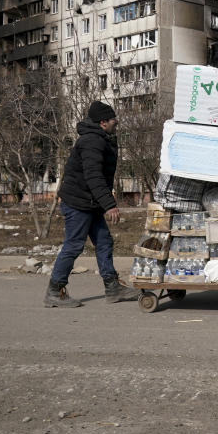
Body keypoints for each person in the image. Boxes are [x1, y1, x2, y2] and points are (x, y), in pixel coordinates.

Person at [44, 100, 140, 307]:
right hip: (78, 203)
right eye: (114, 118)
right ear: (103, 122)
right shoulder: (92, 141)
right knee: (74, 245)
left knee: (104, 241)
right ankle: (54, 290)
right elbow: (93, 176)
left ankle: (113, 287)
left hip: (90, 202)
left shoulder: (100, 138)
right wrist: (109, 204)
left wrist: (102, 201)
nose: (117, 122)